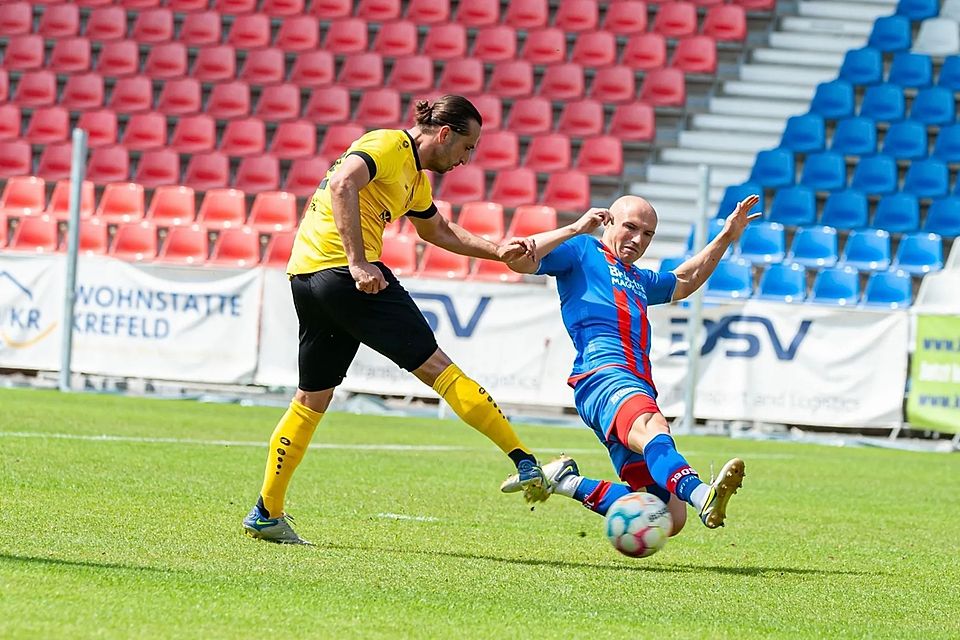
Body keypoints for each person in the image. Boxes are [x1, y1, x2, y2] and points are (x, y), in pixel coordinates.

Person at [243, 95, 548, 545]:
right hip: (344, 275)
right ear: (444, 133)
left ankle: (267, 510)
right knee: (437, 368)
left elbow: (437, 231)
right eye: (468, 146)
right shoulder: (387, 145)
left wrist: (496, 251)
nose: (469, 158)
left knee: (312, 399)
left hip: (307, 276)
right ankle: (524, 460)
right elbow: (343, 183)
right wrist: (358, 262)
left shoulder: (414, 180)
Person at [500, 194, 762, 535]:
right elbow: (515, 258)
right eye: (631, 227)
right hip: (604, 374)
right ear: (609, 221)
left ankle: (566, 481)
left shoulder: (638, 279)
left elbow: (685, 279)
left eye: (648, 234)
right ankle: (702, 493)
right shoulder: (582, 252)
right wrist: (577, 228)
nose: (638, 240)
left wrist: (727, 235)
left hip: (632, 382)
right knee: (654, 426)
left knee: (663, 516)